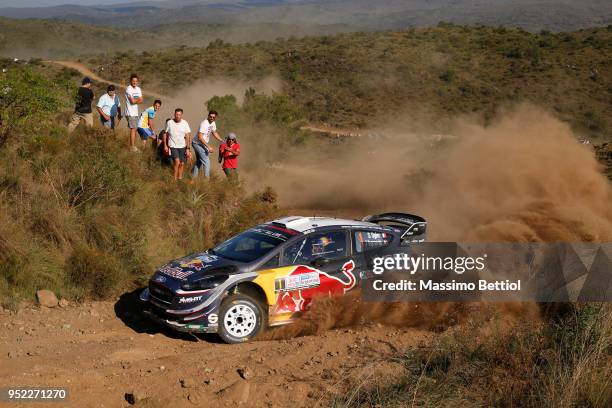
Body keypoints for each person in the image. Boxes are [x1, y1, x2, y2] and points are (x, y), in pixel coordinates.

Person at [192, 110, 223, 178]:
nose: (211, 118)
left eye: (213, 117)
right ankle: (206, 181)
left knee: (199, 161)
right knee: (206, 161)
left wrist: (221, 140)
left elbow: (214, 132)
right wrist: (208, 147)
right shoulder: (204, 124)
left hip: (201, 144)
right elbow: (200, 137)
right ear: (208, 116)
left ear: (215, 118)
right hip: (197, 144)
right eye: (210, 116)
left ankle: (193, 179)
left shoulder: (213, 123)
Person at [163, 108, 192, 181]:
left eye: (179, 115)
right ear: (174, 114)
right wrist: (165, 145)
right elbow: (165, 133)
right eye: (176, 114)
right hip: (173, 146)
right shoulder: (170, 122)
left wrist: (188, 148)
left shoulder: (185, 123)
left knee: (182, 163)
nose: (178, 116)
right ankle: (174, 179)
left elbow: (188, 135)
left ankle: (180, 178)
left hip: (182, 146)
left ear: (182, 115)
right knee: (177, 162)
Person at [125, 74, 143, 152]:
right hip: (130, 112)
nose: (134, 82)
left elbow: (141, 100)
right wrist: (137, 100)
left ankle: (133, 146)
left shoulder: (138, 89)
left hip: (135, 112)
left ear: (137, 82)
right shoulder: (129, 89)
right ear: (130, 81)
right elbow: (132, 101)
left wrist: (137, 100)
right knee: (133, 129)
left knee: (135, 129)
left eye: (136, 81)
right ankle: (132, 147)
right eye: (133, 81)